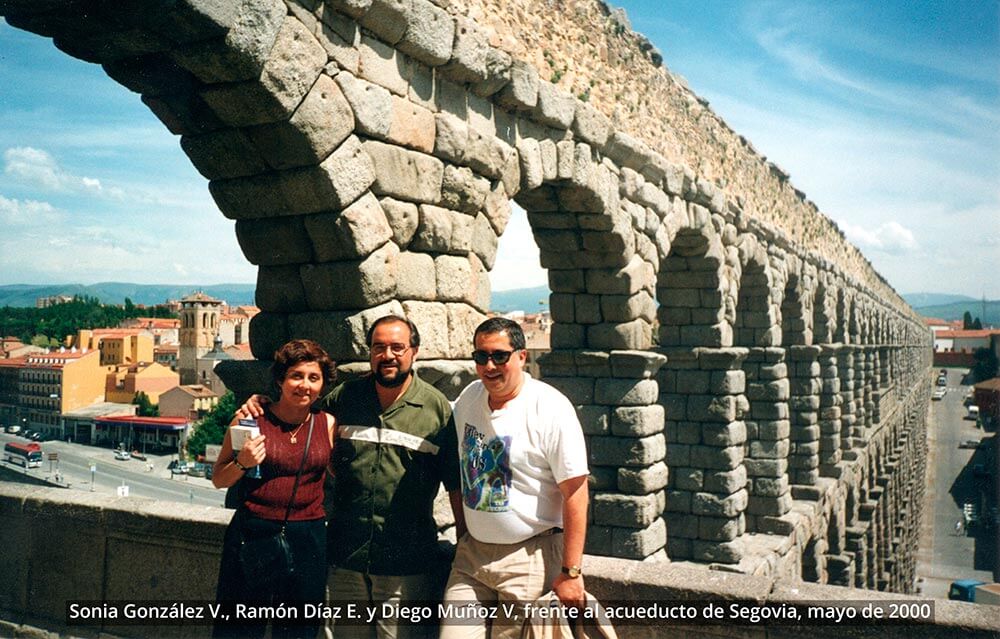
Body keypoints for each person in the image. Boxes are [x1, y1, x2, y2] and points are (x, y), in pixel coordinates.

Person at [239, 315, 463, 639]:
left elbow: (454, 483)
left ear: (414, 351)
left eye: (397, 347)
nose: (388, 355)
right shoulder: (345, 397)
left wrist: (465, 547)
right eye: (379, 347)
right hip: (346, 560)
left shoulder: (436, 409)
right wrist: (260, 403)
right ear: (370, 352)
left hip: (406, 565)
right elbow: (299, 416)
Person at [440, 317, 589, 639]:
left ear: (521, 356)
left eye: (499, 356)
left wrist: (571, 572)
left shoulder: (550, 407)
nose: (489, 365)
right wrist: (465, 532)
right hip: (471, 557)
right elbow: (459, 469)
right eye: (481, 356)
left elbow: (576, 491)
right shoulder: (468, 398)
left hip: (528, 560)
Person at [212, 339, 336, 639]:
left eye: (313, 377)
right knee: (239, 630)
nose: (304, 385)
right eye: (296, 375)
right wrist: (242, 463)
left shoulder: (327, 424)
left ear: (322, 384)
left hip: (309, 539)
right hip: (253, 534)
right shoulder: (250, 418)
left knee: (299, 632)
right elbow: (219, 478)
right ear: (280, 379)